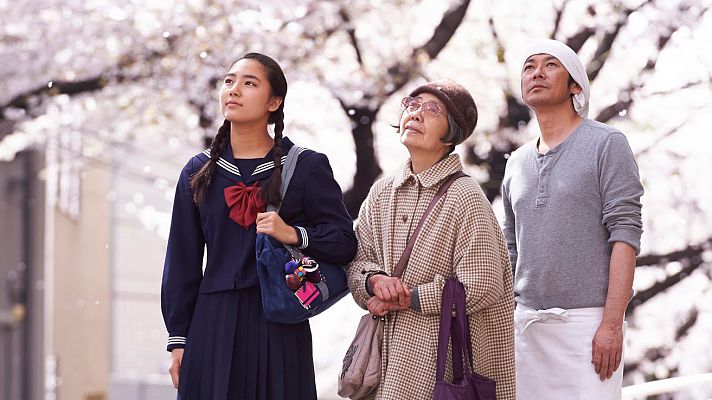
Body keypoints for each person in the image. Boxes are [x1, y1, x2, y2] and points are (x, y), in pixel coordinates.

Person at [161, 52, 357, 400]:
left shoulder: (306, 166)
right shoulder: (198, 171)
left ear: (274, 102)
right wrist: (179, 339)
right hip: (211, 323)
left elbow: (344, 241)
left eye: (249, 83)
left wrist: (294, 234)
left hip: (279, 320)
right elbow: (182, 260)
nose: (233, 90)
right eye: (229, 81)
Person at [346, 80, 515, 399]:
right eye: (411, 104)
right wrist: (374, 282)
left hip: (442, 366)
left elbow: (482, 284)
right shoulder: (382, 192)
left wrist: (410, 296)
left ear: (452, 131)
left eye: (432, 109)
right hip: (383, 362)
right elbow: (358, 261)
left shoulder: (465, 196)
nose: (416, 113)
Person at [501, 39, 644, 399]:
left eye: (550, 65)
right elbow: (511, 248)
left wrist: (611, 325)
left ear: (575, 85)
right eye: (529, 66)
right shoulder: (516, 162)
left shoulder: (607, 143)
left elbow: (625, 234)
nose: (537, 73)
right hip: (526, 328)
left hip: (589, 328)